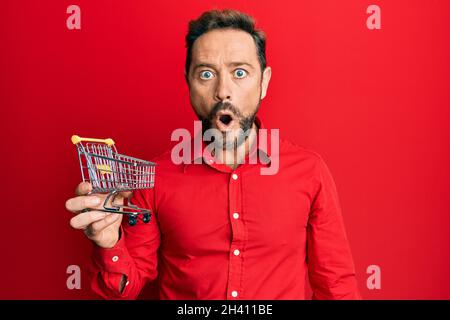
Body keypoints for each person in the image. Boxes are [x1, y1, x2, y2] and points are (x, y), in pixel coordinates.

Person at [65, 9, 361, 300]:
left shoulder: (309, 171)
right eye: (206, 73)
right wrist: (108, 243)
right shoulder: (155, 177)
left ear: (264, 82)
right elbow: (121, 290)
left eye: (240, 72)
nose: (223, 91)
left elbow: (336, 286)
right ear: (188, 82)